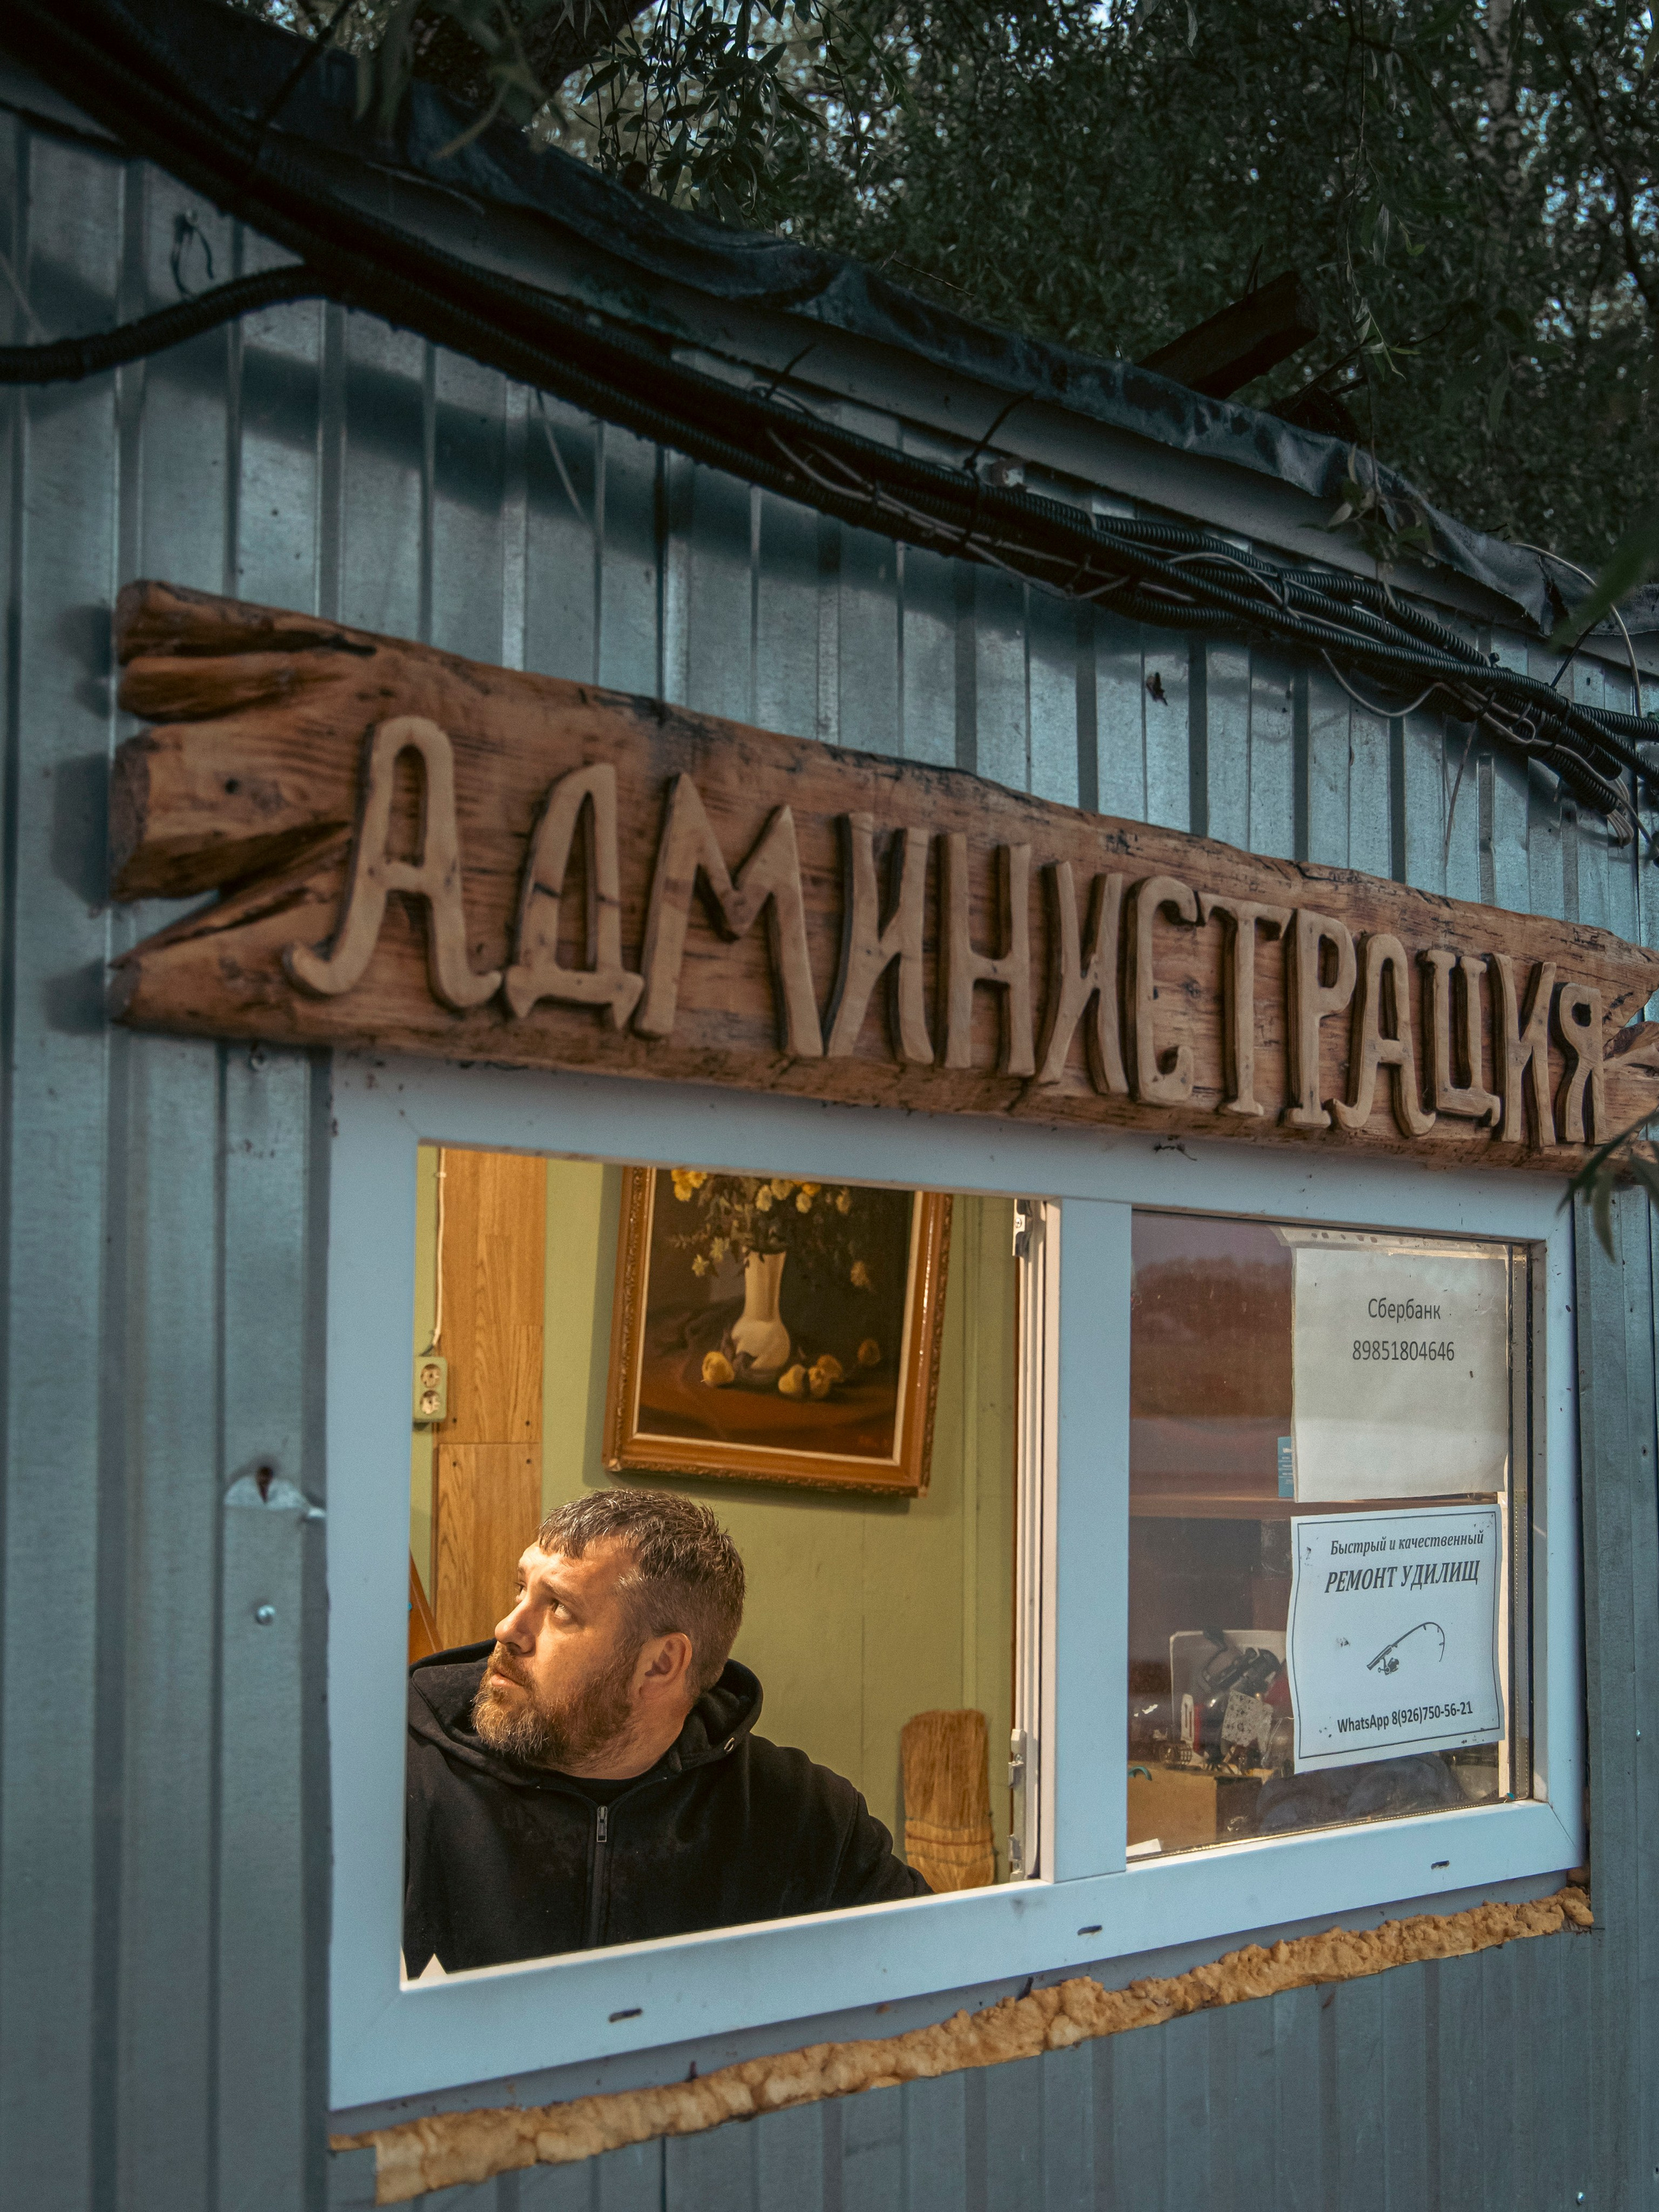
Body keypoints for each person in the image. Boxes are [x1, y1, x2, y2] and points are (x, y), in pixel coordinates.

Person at [404, 1487, 930, 1973]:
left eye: (559, 1607)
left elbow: (934, 1979)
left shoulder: (803, 1816)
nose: (508, 1629)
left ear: (660, 1664)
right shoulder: (397, 1780)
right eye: (522, 1589)